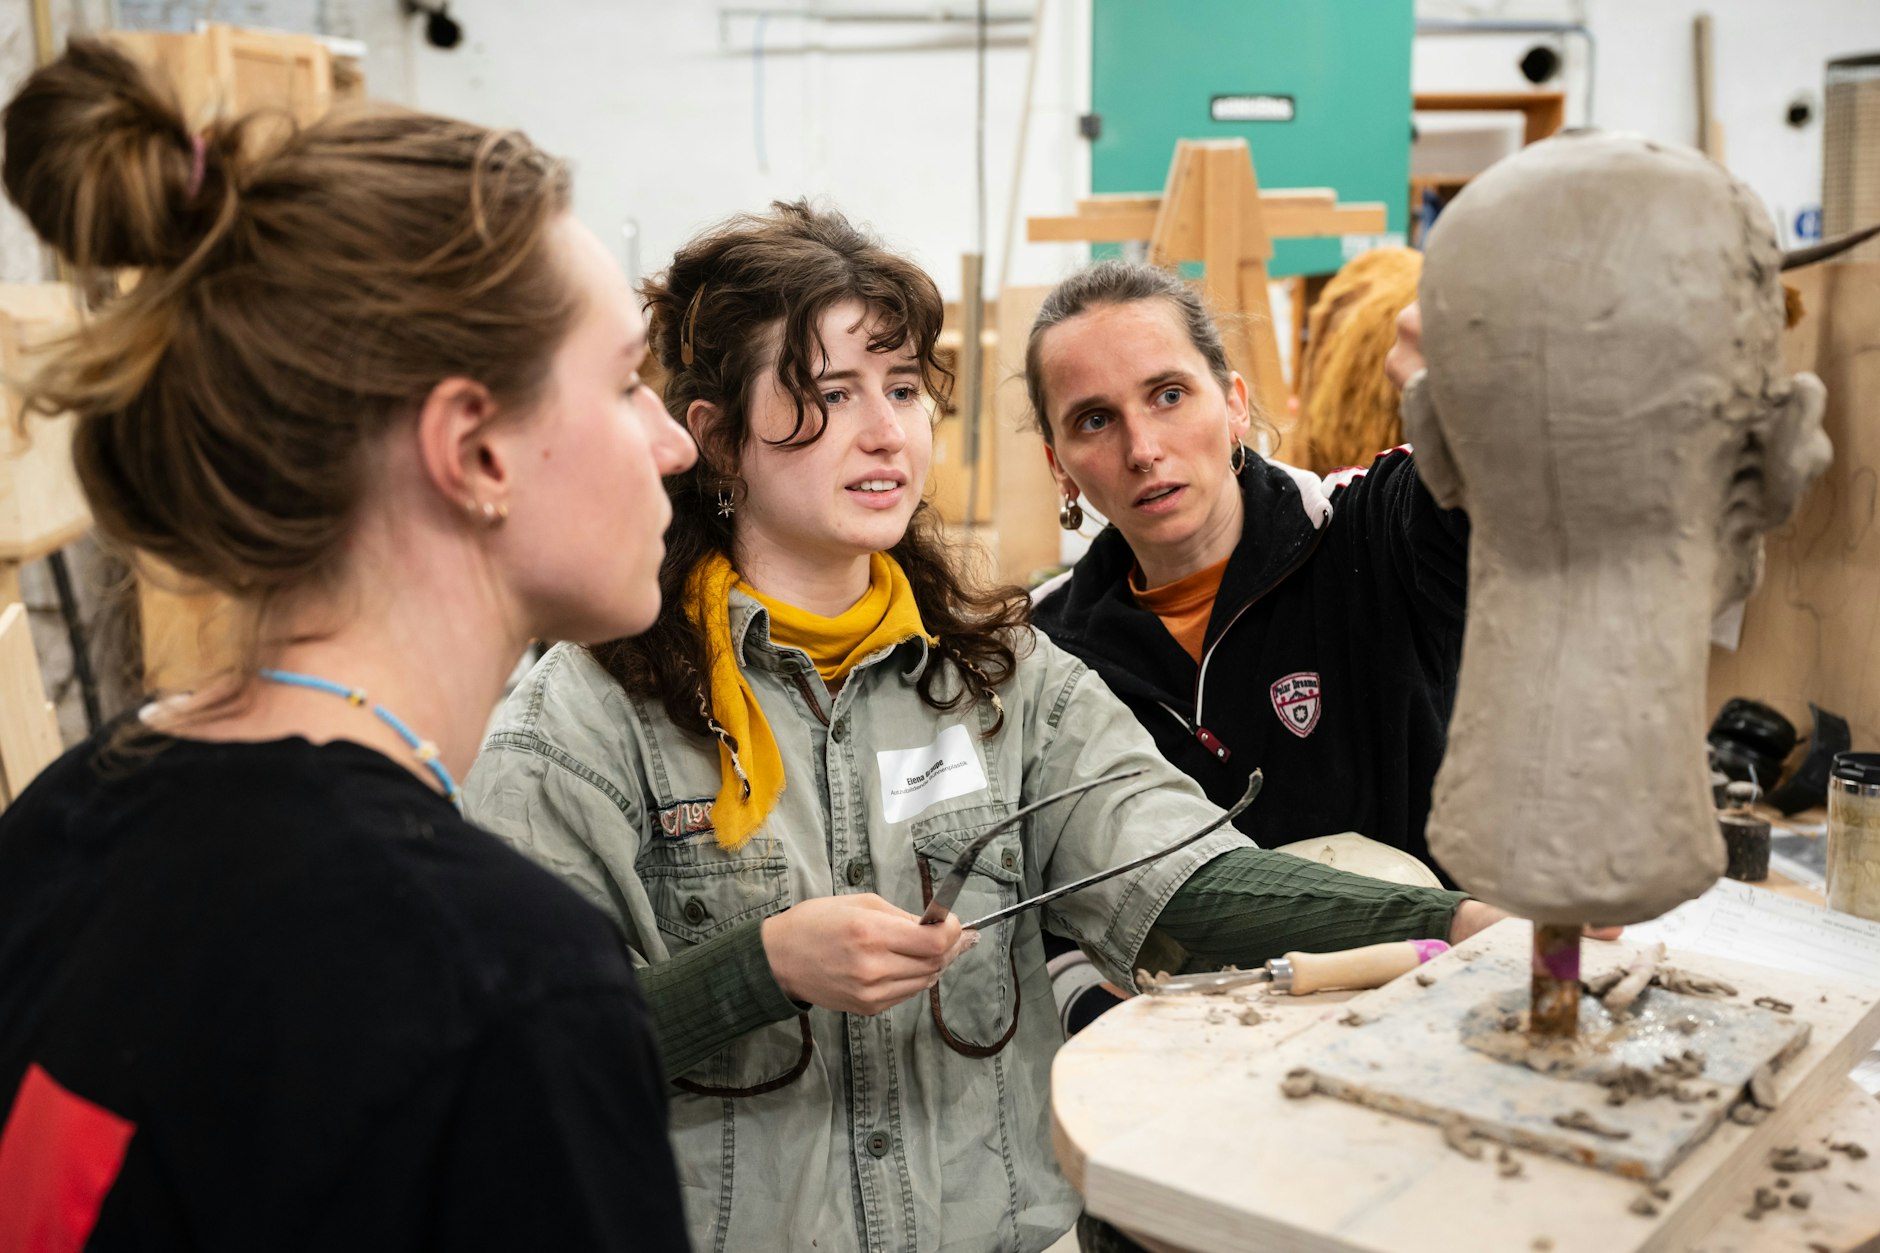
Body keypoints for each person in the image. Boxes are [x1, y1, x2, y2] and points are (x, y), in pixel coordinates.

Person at [463, 200, 1501, 1253]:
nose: (884, 432)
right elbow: (518, 1055)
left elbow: (1183, 878)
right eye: (829, 394)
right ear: (718, 434)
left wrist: (1460, 925)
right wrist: (760, 968)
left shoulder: (1004, 676)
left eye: (904, 389)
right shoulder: (590, 718)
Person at [0, 41, 694, 1251]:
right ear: (474, 450)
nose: (669, 442)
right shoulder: (500, 982)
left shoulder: (62, 818)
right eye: (626, 379)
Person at [1028, 260, 1467, 880]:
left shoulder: (1367, 533)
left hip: (1438, 970)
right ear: (1060, 466)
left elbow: (1493, 506)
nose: (1143, 450)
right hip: (1175, 982)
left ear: (1235, 406)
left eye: (1169, 396)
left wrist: (1464, 402)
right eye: (1095, 420)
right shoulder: (1046, 655)